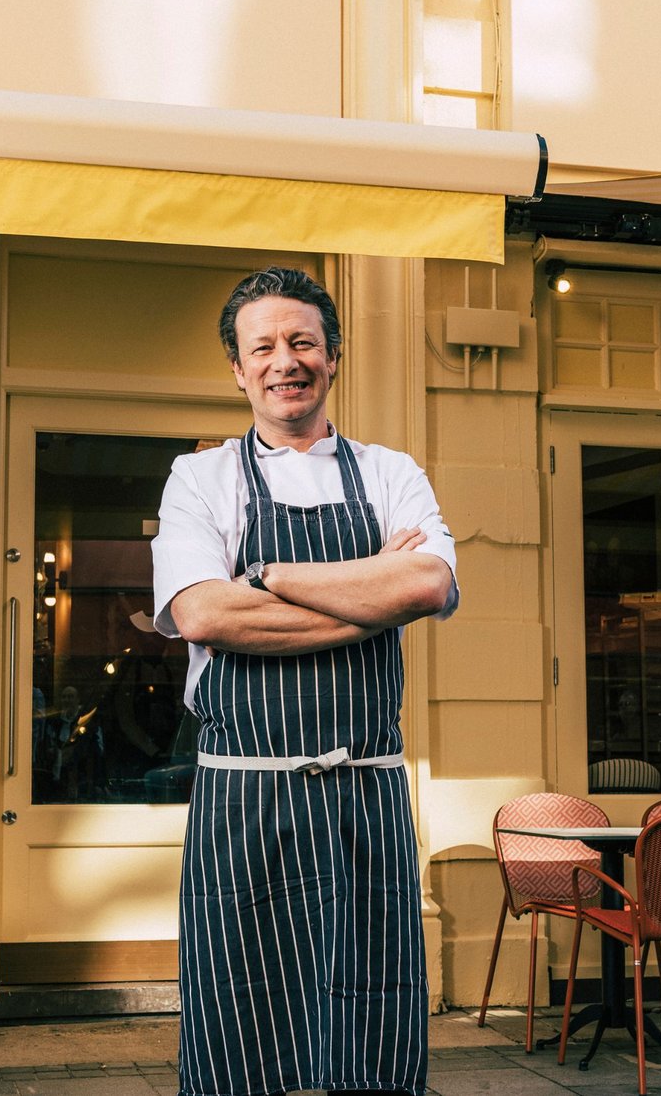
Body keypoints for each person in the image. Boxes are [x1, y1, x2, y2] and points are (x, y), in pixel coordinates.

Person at [152, 267, 458, 1096]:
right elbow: (204, 614)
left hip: (365, 795)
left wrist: (269, 575)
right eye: (263, 348)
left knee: (374, 1022)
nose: (284, 361)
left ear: (334, 356)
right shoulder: (200, 478)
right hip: (243, 799)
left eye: (302, 343)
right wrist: (369, 595)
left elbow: (425, 585)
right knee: (236, 1023)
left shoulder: (391, 471)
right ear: (237, 368)